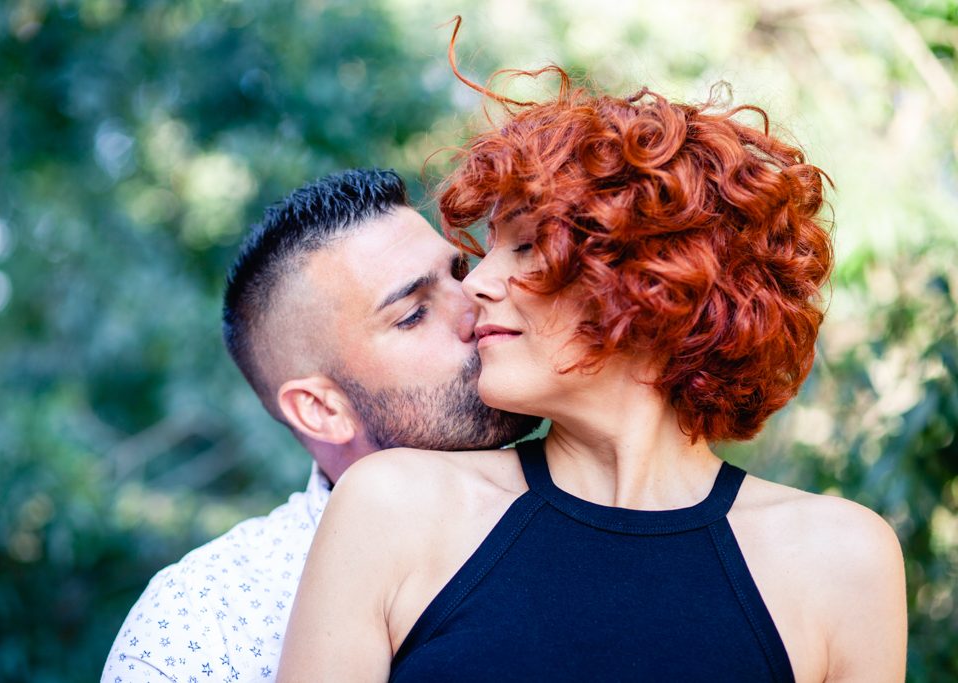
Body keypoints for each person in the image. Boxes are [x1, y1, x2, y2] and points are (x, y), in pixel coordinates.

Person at [276, 69, 908, 681]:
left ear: (658, 277)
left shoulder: (843, 559)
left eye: (525, 247)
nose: (479, 285)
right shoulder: (393, 505)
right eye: (488, 248)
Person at [101, 169, 540, 682]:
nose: (476, 306)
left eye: (461, 272)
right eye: (412, 315)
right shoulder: (205, 623)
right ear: (320, 409)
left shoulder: (608, 492)